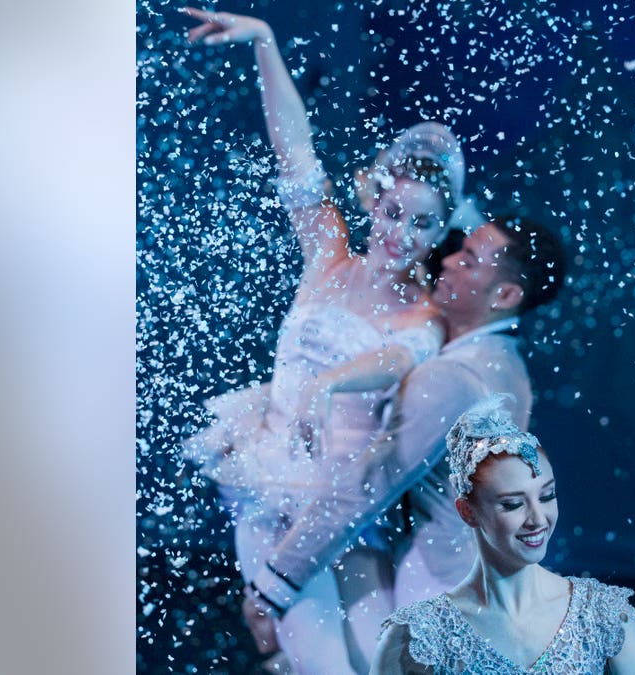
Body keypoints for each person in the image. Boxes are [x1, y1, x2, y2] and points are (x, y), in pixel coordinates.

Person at [177, 8, 477, 674]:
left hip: (344, 507)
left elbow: (394, 360)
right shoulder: (327, 250)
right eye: (394, 212)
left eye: (421, 225)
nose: (400, 234)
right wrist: (265, 43)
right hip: (270, 480)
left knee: (375, 657)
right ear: (373, 199)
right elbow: (296, 151)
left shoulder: (423, 315)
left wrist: (327, 383)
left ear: (438, 233)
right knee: (325, 661)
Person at [242, 215, 567, 671]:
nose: (448, 260)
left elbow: (366, 486)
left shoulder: (452, 378)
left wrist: (272, 586)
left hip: (440, 586)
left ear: (506, 296)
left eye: (469, 260)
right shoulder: (503, 363)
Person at [370, 396, 635, 674]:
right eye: (513, 504)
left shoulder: (602, 616)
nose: (537, 519)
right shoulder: (420, 635)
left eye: (547, 496)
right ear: (467, 512)